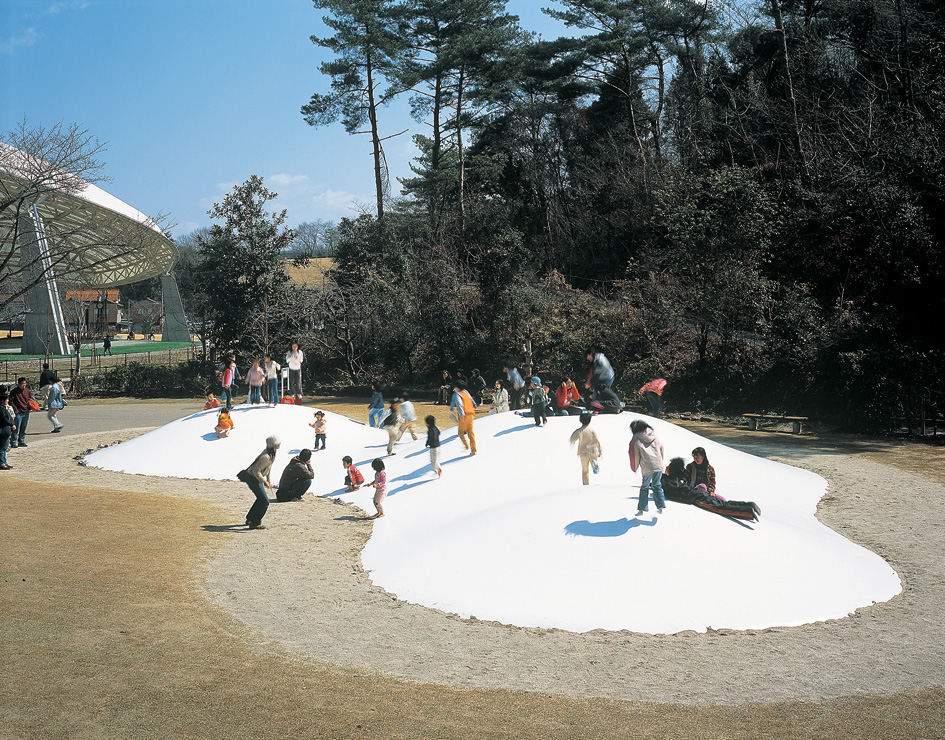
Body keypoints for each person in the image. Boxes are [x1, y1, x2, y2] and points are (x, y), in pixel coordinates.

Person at [663, 457, 760, 521]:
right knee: (723, 504)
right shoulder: (680, 479)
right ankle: (748, 505)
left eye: (667, 467)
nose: (665, 468)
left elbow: (667, 485)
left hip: (698, 498)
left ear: (671, 470)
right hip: (700, 494)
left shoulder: (671, 480)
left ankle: (748, 511)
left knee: (721, 508)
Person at [237, 435, 280, 529]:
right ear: (273, 445)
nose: (279, 444)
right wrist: (264, 482)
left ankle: (250, 519)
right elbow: (256, 471)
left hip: (255, 478)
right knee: (265, 502)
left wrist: (268, 481)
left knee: (260, 499)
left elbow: (268, 469)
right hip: (253, 478)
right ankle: (255, 523)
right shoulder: (266, 456)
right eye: (277, 443)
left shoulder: (271, 454)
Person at [628, 419, 665, 516]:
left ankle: (642, 509)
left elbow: (634, 456)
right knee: (657, 486)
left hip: (647, 467)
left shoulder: (635, 440)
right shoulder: (653, 437)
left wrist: (634, 467)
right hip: (659, 465)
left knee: (644, 487)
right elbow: (662, 449)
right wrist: (660, 462)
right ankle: (661, 506)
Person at [569, 412, 602, 485]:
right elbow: (597, 441)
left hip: (583, 453)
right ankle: (594, 463)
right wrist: (600, 450)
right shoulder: (592, 430)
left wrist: (572, 443)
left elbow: (572, 439)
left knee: (585, 470)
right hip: (593, 451)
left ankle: (586, 484)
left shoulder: (579, 431)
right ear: (590, 421)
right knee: (593, 459)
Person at [449, 380, 478, 455]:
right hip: (471, 414)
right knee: (470, 432)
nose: (453, 389)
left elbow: (459, 405)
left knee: (460, 432)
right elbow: (471, 399)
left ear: (458, 387)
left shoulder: (456, 394)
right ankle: (473, 450)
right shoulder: (466, 392)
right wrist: (474, 404)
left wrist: (461, 415)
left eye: (454, 387)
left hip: (464, 415)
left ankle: (466, 446)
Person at [9, 377, 33, 448]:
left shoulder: (27, 391)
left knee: (23, 427)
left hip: (26, 411)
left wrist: (30, 407)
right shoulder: (14, 392)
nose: (24, 385)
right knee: (16, 428)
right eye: (23, 384)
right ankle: (13, 442)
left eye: (25, 384)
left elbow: (30, 399)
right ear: (19, 384)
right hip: (18, 412)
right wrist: (15, 409)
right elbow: (11, 401)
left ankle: (21, 441)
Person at [0, 391, 15, 470]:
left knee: (4, 447)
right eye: (6, 400)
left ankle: (4, 462)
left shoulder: (3, 408)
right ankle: (2, 463)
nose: (8, 401)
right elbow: (4, 419)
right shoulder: (2, 409)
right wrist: (11, 424)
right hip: (3, 429)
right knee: (2, 447)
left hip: (5, 429)